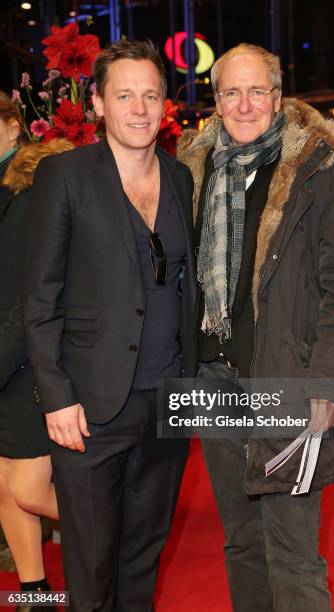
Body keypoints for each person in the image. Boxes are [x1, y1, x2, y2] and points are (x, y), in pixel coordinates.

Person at [178, 43, 334, 612]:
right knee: (242, 543)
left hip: (289, 385)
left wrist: (330, 385)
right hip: (215, 385)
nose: (244, 105)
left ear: (278, 96)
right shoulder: (196, 170)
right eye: (230, 92)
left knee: (292, 552)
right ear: (215, 101)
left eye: (256, 91)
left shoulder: (325, 173)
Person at [22, 40, 196, 612]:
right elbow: (40, 295)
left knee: (142, 560)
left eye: (150, 95)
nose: (139, 109)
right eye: (125, 95)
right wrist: (55, 395)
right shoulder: (63, 176)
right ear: (97, 103)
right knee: (92, 569)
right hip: (90, 408)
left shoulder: (179, 179)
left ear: (165, 103)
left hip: (168, 400)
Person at [0, 93, 67, 608]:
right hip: (6, 362)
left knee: (27, 490)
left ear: (11, 127)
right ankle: (35, 594)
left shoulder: (28, 191)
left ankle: (128, 523)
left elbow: (31, 298)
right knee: (4, 489)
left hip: (24, 364)